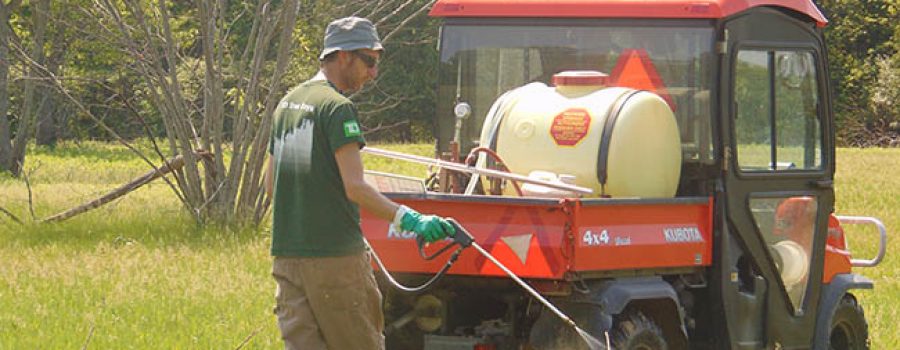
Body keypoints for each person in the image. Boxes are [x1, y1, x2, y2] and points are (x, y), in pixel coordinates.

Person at [264, 16, 456, 350]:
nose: (373, 73)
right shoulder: (337, 108)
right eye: (369, 61)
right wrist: (411, 219)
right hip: (335, 263)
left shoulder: (286, 105)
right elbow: (355, 186)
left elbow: (270, 185)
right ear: (343, 56)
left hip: (286, 259)